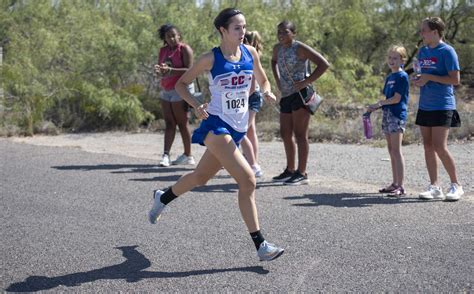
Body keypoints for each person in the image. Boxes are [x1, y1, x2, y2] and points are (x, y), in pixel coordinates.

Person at [148, 8, 284, 261]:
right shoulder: (210, 58)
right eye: (237, 28)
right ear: (223, 30)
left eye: (244, 27)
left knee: (200, 177)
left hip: (238, 127)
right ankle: (261, 245)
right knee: (248, 181)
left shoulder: (250, 53)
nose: (243, 32)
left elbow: (263, 80)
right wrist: (195, 104)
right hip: (216, 124)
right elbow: (180, 84)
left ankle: (163, 196)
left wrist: (266, 91)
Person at [271, 20, 329, 185]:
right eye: (279, 32)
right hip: (286, 95)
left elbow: (324, 64)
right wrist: (277, 80)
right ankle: (290, 170)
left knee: (300, 135)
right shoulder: (278, 48)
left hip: (301, 95)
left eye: (285, 32)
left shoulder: (300, 48)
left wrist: (306, 81)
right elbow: (273, 61)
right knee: (285, 133)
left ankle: (301, 173)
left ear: (293, 33)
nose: (281, 35)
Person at [413, 17, 464, 201]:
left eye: (424, 30)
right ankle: (435, 187)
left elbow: (455, 80)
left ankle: (456, 185)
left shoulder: (448, 51)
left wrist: (429, 77)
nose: (421, 34)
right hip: (425, 105)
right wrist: (419, 80)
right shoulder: (423, 52)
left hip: (443, 105)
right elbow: (422, 75)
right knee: (427, 147)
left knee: (440, 147)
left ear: (435, 32)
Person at [367, 45, 410, 197]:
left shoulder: (402, 76)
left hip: (397, 115)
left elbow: (397, 98)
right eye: (390, 58)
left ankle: (401, 186)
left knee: (397, 151)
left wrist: (379, 104)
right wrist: (375, 107)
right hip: (387, 114)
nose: (392, 61)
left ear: (402, 60)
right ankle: (394, 183)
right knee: (391, 150)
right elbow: (387, 98)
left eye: (395, 58)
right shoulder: (390, 77)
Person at [155, 24, 195, 167]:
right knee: (169, 123)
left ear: (179, 35)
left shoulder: (184, 49)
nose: (172, 38)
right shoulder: (163, 51)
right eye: (168, 36)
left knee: (182, 123)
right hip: (166, 89)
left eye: (174, 35)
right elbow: (162, 68)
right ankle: (165, 155)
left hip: (181, 89)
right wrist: (160, 71)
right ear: (164, 39)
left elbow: (190, 71)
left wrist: (171, 70)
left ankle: (188, 155)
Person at [240, 31, 264, 177]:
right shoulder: (253, 55)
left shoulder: (249, 56)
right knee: (250, 131)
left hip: (251, 96)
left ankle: (253, 164)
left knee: (241, 131)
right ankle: (251, 161)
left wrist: (243, 97)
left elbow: (253, 82)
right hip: (251, 95)